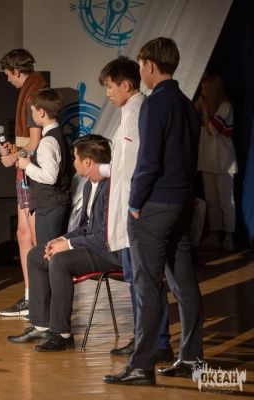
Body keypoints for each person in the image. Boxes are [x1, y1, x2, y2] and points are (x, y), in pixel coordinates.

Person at [103, 37, 203, 386]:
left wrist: (134, 203)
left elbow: (148, 161)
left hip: (155, 205)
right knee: (184, 285)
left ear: (149, 66)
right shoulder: (187, 104)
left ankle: (141, 366)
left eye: (142, 64)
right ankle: (191, 359)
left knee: (147, 286)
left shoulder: (154, 103)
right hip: (182, 203)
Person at [84, 56, 173, 363]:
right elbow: (124, 165)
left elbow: (141, 164)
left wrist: (135, 205)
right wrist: (102, 170)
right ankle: (144, 338)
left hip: (136, 212)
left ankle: (156, 342)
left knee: (144, 280)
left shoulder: (137, 111)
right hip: (129, 211)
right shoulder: (129, 111)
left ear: (125, 84)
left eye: (110, 86)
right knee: (138, 280)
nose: (108, 93)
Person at [7, 134, 122, 350]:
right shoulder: (89, 186)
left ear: (87, 161)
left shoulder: (111, 188)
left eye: (75, 158)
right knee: (36, 254)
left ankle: (62, 334)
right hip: (92, 245)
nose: (74, 162)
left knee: (60, 261)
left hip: (109, 251)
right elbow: (86, 226)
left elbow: (105, 235)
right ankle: (41, 325)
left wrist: (68, 246)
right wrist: (62, 239)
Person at [0, 48, 48, 317]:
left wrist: (14, 157)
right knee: (23, 234)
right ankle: (31, 296)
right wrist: (14, 149)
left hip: (32, 173)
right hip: (24, 172)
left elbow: (36, 142)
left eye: (8, 74)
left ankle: (41, 297)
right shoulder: (29, 92)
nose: (8, 80)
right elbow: (27, 140)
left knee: (36, 237)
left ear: (17, 71)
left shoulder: (35, 93)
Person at [17, 88, 72, 247]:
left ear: (41, 112)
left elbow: (50, 176)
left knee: (47, 251)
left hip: (49, 206)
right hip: (53, 204)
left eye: (32, 111)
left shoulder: (48, 141)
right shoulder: (57, 135)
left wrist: (27, 165)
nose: (32, 115)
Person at [194, 74, 237, 252]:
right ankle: (213, 235)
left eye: (205, 89)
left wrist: (204, 109)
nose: (203, 93)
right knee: (212, 201)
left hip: (223, 162)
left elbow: (213, 130)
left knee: (226, 201)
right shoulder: (208, 108)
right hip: (207, 161)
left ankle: (228, 237)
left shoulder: (225, 106)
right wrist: (197, 108)